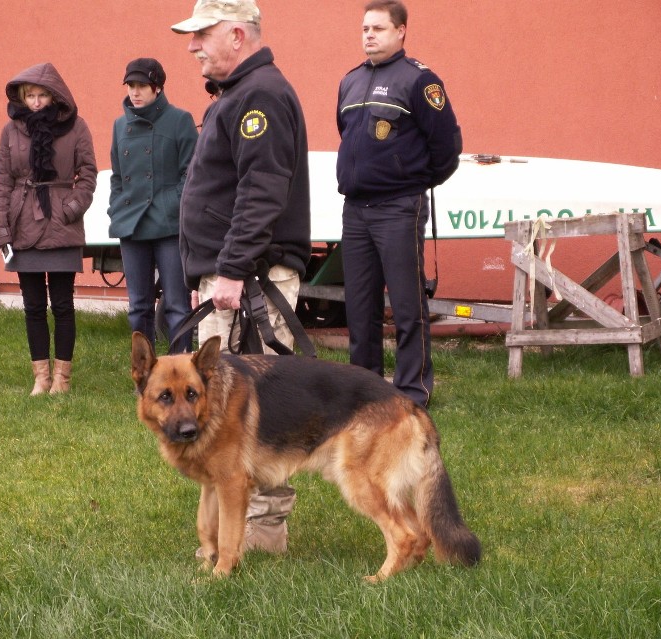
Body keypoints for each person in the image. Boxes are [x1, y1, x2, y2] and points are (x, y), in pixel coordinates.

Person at [172, 0, 311, 554]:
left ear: (236, 34)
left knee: (262, 409)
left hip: (252, 282)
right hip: (230, 278)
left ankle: (263, 531)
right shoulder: (239, 94)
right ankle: (223, 528)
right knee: (222, 408)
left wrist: (229, 270)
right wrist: (205, 272)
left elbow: (261, 192)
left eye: (201, 35)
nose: (192, 46)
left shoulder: (261, 96)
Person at [336, 0, 462, 408]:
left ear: (401, 31)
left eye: (378, 28)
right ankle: (363, 391)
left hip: (397, 209)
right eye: (364, 29)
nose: (369, 35)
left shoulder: (419, 82)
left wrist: (411, 185)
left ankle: (413, 392)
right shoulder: (350, 81)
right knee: (359, 306)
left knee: (407, 306)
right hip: (355, 211)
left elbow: (447, 148)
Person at [0, 63, 97, 395]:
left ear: (55, 96)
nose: (36, 102)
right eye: (30, 96)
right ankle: (41, 377)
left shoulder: (77, 127)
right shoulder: (10, 130)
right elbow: (1, 183)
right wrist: (1, 230)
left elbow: (89, 174)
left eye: (42, 95)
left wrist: (72, 207)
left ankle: (62, 378)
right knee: (33, 305)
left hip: (62, 225)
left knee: (63, 304)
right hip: (24, 223)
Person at [108, 58, 197, 353]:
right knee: (138, 307)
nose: (135, 92)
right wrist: (117, 207)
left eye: (142, 86)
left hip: (169, 225)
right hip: (132, 225)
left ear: (157, 87)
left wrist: (172, 205)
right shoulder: (120, 125)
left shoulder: (180, 120)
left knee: (176, 305)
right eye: (131, 86)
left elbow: (192, 172)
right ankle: (144, 373)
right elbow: (118, 176)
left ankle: (181, 366)